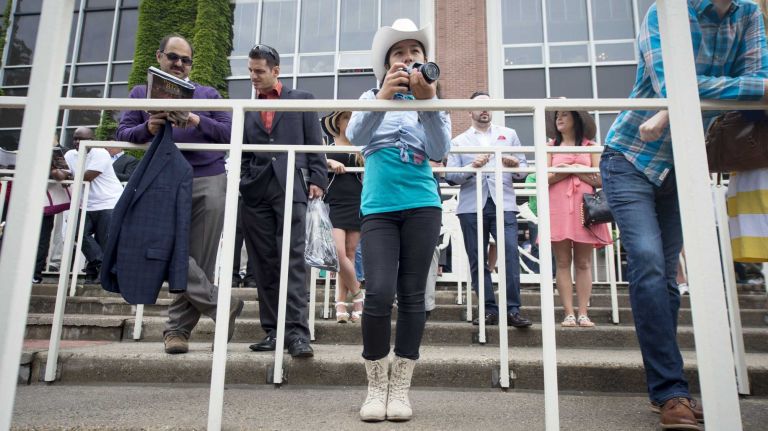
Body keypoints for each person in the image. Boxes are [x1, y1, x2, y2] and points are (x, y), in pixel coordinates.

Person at [601, 1, 768, 428]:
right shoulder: (667, 11)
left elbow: (761, 85)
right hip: (630, 157)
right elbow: (671, 82)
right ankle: (671, 392)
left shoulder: (747, 15)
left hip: (685, 163)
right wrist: (729, 86)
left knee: (669, 281)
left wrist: (695, 94)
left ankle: (669, 389)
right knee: (651, 264)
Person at [346, 18, 451, 422]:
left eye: (415, 55)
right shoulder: (371, 94)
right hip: (378, 208)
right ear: (386, 64)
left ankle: (400, 387)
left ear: (426, 62)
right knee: (378, 292)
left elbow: (441, 149)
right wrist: (383, 97)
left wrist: (428, 103)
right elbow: (355, 137)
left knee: (412, 296)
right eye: (399, 55)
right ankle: (375, 383)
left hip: (423, 204)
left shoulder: (435, 102)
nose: (408, 62)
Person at [116, 34, 244, 354]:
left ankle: (177, 331)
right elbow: (122, 132)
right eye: (173, 57)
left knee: (200, 257)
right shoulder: (140, 93)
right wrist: (148, 128)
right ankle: (220, 305)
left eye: (185, 60)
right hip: (161, 178)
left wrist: (197, 117)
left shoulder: (209, 94)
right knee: (164, 247)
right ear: (159, 57)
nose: (179, 65)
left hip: (207, 177)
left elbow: (229, 133)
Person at [239, 43, 327, 359]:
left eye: (259, 71)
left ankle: (298, 334)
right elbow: (245, 151)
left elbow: (314, 142)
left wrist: (318, 178)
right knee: (264, 262)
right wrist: (244, 180)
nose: (253, 76)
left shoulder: (301, 100)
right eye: (250, 70)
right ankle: (273, 331)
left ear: (276, 71)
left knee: (293, 260)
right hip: (256, 190)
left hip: (293, 184)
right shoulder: (247, 108)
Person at [446, 91, 532, 328]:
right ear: (470, 112)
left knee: (510, 255)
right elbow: (451, 177)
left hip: (503, 203)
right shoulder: (458, 141)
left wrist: (516, 166)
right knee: (477, 259)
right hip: (471, 205)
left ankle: (513, 309)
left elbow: (523, 170)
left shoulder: (509, 135)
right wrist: (472, 167)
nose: (484, 110)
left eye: (488, 106)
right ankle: (488, 309)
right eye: (479, 107)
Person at [546, 110, 611, 328]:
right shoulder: (550, 146)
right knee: (562, 262)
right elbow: (544, 177)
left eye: (565, 115)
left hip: (585, 207)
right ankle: (568, 314)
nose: (559, 119)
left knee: (584, 262)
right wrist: (578, 171)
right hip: (557, 206)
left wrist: (570, 169)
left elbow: (600, 178)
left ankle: (583, 312)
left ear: (577, 119)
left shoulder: (590, 146)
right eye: (557, 116)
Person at [321, 111, 365, 323]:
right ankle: (358, 296)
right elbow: (314, 161)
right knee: (338, 252)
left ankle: (340, 301)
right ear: (338, 122)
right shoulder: (326, 146)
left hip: (357, 200)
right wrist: (329, 161)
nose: (349, 122)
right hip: (334, 200)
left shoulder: (361, 146)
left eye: (352, 118)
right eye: (346, 118)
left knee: (350, 253)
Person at [64, 127, 123, 284]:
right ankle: (103, 265)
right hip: (85, 204)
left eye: (83, 139)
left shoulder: (100, 153)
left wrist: (68, 175)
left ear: (93, 140)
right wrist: (57, 172)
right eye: (75, 138)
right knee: (76, 232)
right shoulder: (70, 155)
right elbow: (63, 175)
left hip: (109, 201)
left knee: (104, 240)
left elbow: (88, 177)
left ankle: (96, 274)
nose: (78, 142)